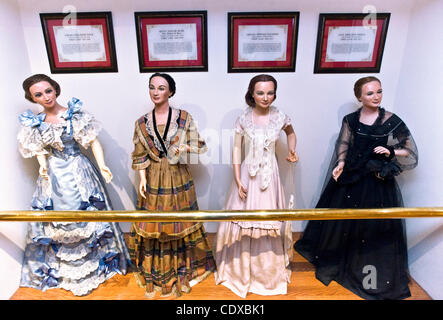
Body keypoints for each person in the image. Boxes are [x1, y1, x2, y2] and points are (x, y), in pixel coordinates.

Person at [293, 76, 418, 300]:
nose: (376, 96)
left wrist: (390, 152)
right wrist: (340, 164)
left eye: (379, 91)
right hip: (352, 176)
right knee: (342, 222)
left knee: (371, 226)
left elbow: (409, 150)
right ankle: (340, 261)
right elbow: (343, 143)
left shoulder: (391, 120)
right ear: (359, 97)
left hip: (378, 181)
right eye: (370, 93)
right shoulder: (350, 119)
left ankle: (365, 270)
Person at [18, 74, 130, 296]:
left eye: (48, 91)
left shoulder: (73, 115)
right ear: (33, 99)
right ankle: (66, 271)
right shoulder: (36, 123)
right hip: (53, 176)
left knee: (88, 216)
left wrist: (103, 165)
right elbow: (39, 150)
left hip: (79, 170)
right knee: (59, 222)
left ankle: (97, 264)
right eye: (38, 95)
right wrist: (42, 166)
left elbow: (93, 142)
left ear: (55, 89)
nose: (45, 97)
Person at [128, 73, 215, 298]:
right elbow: (139, 155)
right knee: (155, 225)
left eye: (161, 87)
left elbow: (199, 144)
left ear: (171, 92)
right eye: (152, 87)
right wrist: (143, 180)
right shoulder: (140, 122)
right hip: (154, 178)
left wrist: (184, 147)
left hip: (178, 176)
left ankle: (183, 268)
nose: (156, 92)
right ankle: (158, 273)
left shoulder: (183, 118)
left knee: (179, 222)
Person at [214, 74, 299, 298]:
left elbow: (291, 133)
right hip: (247, 173)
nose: (265, 97)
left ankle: (266, 272)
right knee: (242, 217)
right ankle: (239, 270)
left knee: (268, 219)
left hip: (270, 174)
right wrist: (236, 177)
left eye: (270, 92)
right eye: (260, 92)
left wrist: (292, 150)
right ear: (252, 93)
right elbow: (235, 149)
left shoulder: (280, 116)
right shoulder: (243, 118)